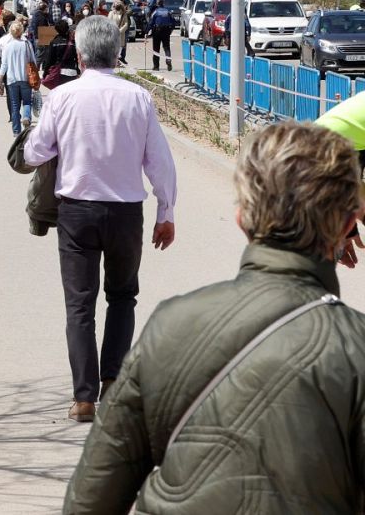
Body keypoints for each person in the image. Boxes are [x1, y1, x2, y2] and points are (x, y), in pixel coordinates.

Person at [65, 121, 365, 513]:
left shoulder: (170, 326)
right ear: (346, 226)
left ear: (242, 218)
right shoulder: (356, 350)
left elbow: (91, 500)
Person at [23, 15, 177, 423]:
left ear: (80, 51)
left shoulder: (62, 97)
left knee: (80, 305)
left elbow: (35, 152)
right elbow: (159, 162)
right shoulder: (138, 98)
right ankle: (113, 381)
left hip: (77, 211)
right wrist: (167, 212)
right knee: (123, 296)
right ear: (117, 52)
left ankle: (83, 398)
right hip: (127, 212)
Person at [0, 20, 37, 135]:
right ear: (21, 31)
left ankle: (16, 131)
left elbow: (4, 66)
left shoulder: (7, 47)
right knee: (27, 102)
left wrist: (0, 83)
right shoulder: (26, 44)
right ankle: (27, 117)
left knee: (14, 105)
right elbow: (33, 61)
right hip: (25, 78)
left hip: (11, 80)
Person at [40, 19, 81, 90]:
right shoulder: (72, 43)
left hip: (59, 73)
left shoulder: (54, 42)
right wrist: (78, 70)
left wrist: (45, 73)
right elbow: (76, 58)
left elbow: (50, 60)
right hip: (72, 72)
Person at [149, 0, 175, 71]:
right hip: (166, 31)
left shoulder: (155, 12)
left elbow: (151, 22)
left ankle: (156, 66)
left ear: (157, 4)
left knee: (156, 49)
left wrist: (147, 31)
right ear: (163, 4)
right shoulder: (168, 11)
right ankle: (168, 60)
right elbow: (173, 21)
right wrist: (171, 30)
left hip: (157, 31)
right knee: (167, 47)